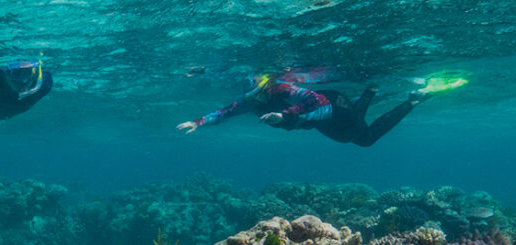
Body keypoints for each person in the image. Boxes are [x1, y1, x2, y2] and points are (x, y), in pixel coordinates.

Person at [176, 71, 456, 147]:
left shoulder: (281, 88)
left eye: (254, 83)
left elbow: (318, 101)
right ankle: (371, 90)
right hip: (321, 121)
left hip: (333, 104)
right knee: (349, 136)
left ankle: (412, 100)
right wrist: (198, 123)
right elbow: (224, 113)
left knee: (366, 139)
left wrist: (286, 114)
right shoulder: (251, 101)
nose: (251, 90)